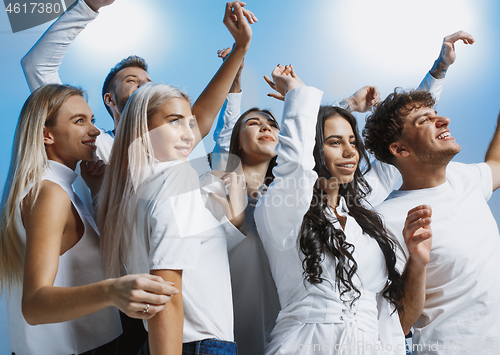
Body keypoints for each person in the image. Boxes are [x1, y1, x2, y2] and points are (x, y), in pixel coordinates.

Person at [253, 65, 430, 355]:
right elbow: (295, 168)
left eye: (353, 142)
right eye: (335, 143)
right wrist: (297, 94)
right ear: (313, 149)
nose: (350, 152)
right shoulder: (281, 210)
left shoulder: (363, 220)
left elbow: (396, 322)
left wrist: (436, 75)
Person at [0, 84, 178, 355]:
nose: (95, 130)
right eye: (79, 121)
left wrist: (96, 190)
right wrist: (112, 291)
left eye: (92, 119)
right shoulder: (50, 193)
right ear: (47, 135)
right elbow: (34, 305)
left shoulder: (54, 189)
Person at [97, 83, 247, 355]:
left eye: (191, 124)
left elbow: (194, 262)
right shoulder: (178, 176)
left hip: (171, 342)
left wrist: (232, 223)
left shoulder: (134, 192)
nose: (189, 136)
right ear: (142, 128)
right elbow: (164, 290)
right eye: (175, 122)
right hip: (195, 344)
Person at [362, 84, 500, 353]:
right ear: (400, 150)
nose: (443, 120)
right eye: (424, 120)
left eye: (435, 113)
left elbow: (497, 165)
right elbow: (396, 327)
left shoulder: (466, 178)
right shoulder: (384, 222)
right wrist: (417, 262)